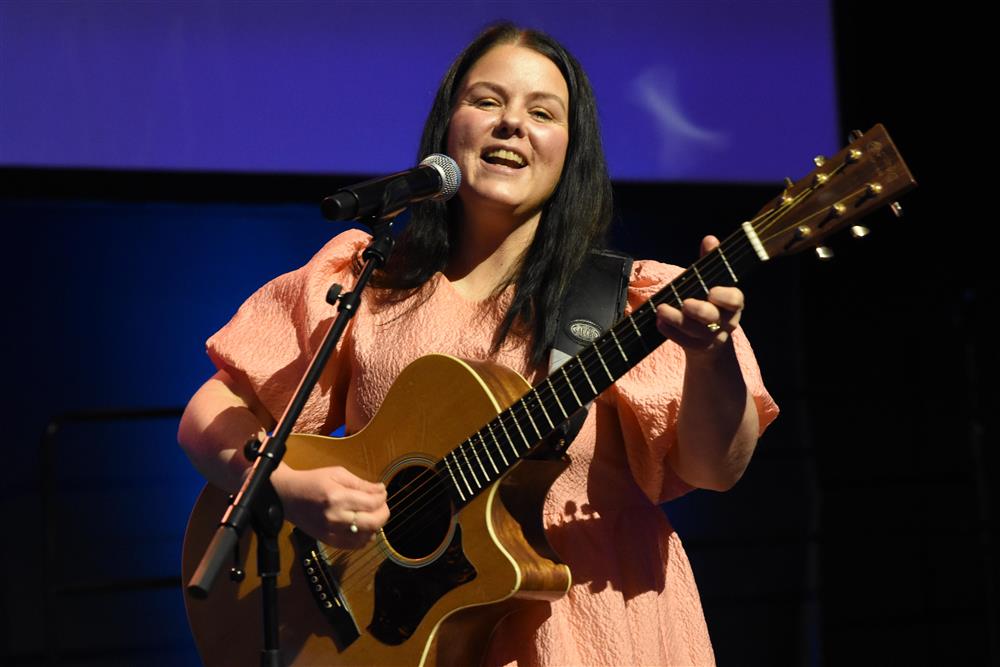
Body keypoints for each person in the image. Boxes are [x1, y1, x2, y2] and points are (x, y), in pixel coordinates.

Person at [179, 22, 778, 666]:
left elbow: (718, 469)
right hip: (403, 645)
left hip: (599, 633)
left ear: (570, 151)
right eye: (487, 101)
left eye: (541, 112)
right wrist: (286, 486)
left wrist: (711, 356)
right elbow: (209, 415)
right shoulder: (366, 280)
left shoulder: (634, 302)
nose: (511, 123)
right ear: (448, 129)